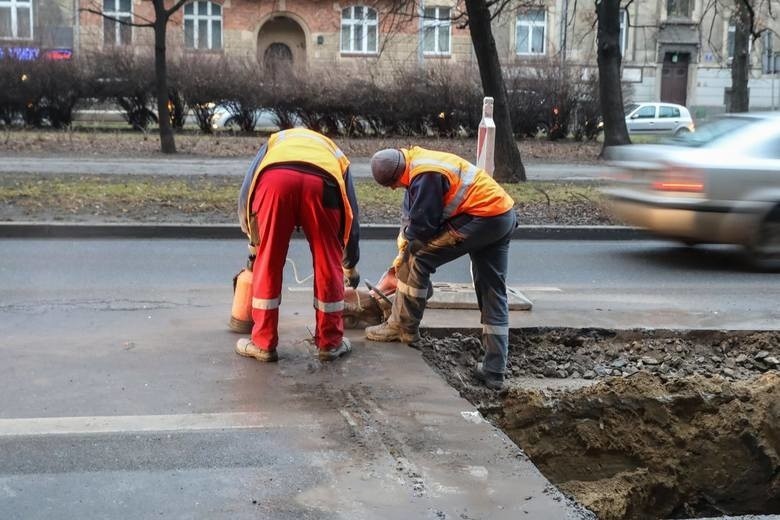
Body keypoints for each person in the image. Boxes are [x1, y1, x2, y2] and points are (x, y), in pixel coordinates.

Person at [365, 147, 516, 389]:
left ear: (394, 180)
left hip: (482, 219)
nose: (394, 189)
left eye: (392, 185)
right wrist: (398, 261)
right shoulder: (415, 161)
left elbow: (423, 229)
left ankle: (403, 327)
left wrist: (405, 258)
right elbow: (410, 222)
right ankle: (494, 371)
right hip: (502, 215)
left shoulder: (426, 176)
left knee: (420, 258)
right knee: (492, 291)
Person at [236, 128, 360, 362]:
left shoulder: (275, 143)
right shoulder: (334, 152)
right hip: (323, 185)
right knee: (328, 264)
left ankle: (263, 344)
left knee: (268, 261)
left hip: (275, 182)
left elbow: (246, 195)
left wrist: (254, 243)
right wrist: (349, 264)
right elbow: (350, 215)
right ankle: (330, 344)